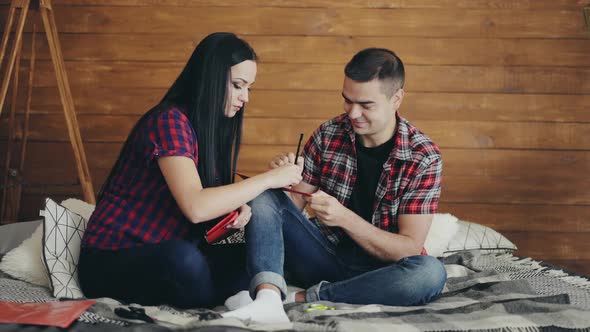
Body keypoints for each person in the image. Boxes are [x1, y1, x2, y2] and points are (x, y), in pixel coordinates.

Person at [78, 32, 302, 318]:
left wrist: (233, 213)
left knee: (251, 246)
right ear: (211, 78)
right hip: (112, 260)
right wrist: (269, 179)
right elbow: (196, 207)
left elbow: (204, 216)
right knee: (184, 261)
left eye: (249, 88)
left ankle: (244, 296)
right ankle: (232, 294)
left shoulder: (209, 129)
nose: (245, 97)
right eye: (238, 86)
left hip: (170, 248)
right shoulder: (169, 120)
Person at [223, 48, 446, 318]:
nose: (353, 114)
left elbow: (408, 248)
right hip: (322, 256)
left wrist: (344, 218)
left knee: (429, 273)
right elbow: (289, 209)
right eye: (347, 101)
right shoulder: (328, 134)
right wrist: (280, 181)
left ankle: (298, 298)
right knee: (264, 195)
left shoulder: (423, 157)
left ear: (396, 98)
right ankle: (268, 298)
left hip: (380, 273)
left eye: (366, 105)